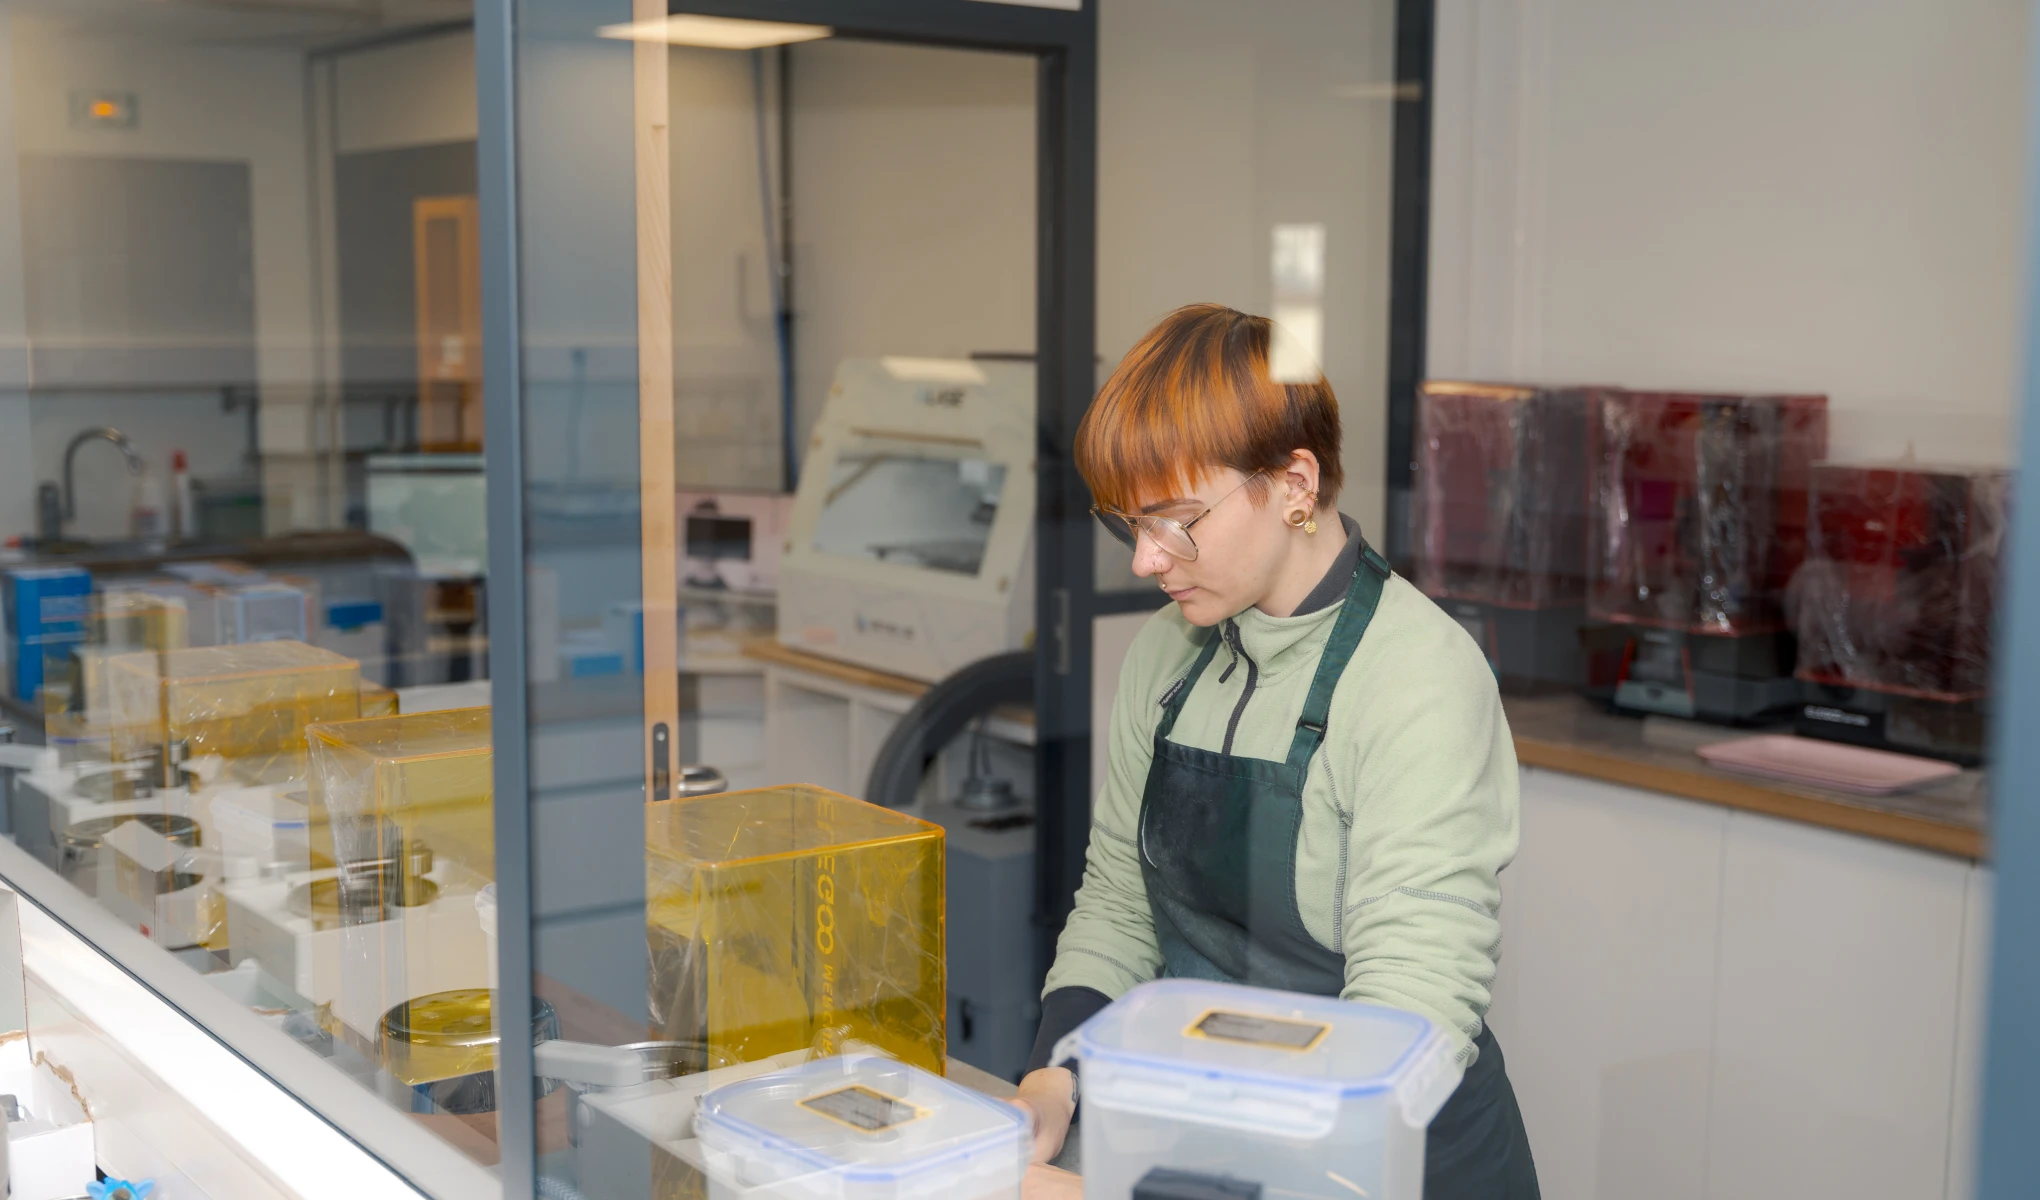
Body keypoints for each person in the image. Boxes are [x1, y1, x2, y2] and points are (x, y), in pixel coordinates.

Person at [1011, 304, 1540, 1198]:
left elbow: (1412, 998)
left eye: (1175, 521)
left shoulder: (1417, 677)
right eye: (1129, 524)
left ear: (1295, 483)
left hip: (1382, 1156)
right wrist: (1054, 1074)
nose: (1147, 560)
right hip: (1207, 1128)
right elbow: (1118, 901)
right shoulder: (1167, 657)